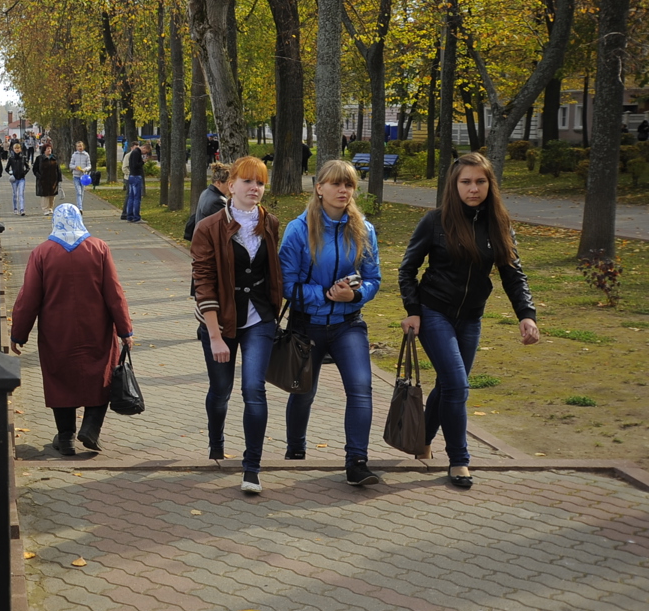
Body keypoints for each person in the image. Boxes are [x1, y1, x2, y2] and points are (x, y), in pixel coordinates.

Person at [399, 152, 540, 489]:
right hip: (434, 313)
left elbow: (512, 274)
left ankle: (421, 442)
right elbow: (407, 269)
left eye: (480, 181)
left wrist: (527, 315)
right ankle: (459, 460)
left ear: (490, 184)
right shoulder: (435, 221)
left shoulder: (499, 224)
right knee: (458, 386)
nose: (473, 188)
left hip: (471, 319)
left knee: (449, 385)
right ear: (454, 185)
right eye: (466, 182)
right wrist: (413, 310)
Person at [280, 160, 383, 486]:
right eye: (336, 184)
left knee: (360, 388)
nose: (343, 190)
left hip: (347, 324)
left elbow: (373, 279)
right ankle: (295, 452)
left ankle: (357, 461)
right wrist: (327, 295)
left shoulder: (364, 230)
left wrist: (353, 297)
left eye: (349, 185)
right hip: (307, 325)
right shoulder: (298, 229)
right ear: (319, 188)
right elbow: (287, 285)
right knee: (303, 393)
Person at [10, 204, 136, 455]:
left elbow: (29, 298)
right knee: (101, 375)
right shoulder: (99, 248)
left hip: (57, 332)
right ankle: (90, 428)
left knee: (60, 379)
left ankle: (66, 437)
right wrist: (125, 330)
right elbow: (114, 293)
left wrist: (18, 333)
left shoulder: (42, 253)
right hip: (97, 328)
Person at [191, 157, 284, 493]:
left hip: (260, 318)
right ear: (231, 186)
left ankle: (252, 468)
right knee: (221, 391)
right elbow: (203, 282)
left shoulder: (270, 223)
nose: (254, 188)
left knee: (253, 390)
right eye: (247, 182)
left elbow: (275, 271)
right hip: (220, 321)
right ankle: (216, 443)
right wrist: (215, 336)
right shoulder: (209, 227)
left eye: (259, 182)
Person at [33, 143, 63, 215]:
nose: (49, 150)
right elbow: (35, 169)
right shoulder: (39, 158)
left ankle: (50, 208)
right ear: (44, 150)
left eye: (50, 149)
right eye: (47, 149)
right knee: (45, 195)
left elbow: (58, 169)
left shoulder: (54, 158)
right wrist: (39, 176)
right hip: (43, 180)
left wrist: (59, 179)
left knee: (52, 195)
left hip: (53, 179)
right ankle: (45, 209)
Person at [123, 143, 148, 221]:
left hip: (131, 176)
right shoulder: (137, 153)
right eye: (145, 151)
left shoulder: (134, 152)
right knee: (137, 197)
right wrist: (143, 162)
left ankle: (129, 215)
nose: (145, 153)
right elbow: (135, 165)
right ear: (143, 148)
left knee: (131, 197)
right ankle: (136, 217)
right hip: (136, 176)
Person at [6, 141, 31, 216]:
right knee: (14, 194)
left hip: (21, 178)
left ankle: (22, 209)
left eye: (18, 148)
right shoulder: (11, 158)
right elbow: (6, 168)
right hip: (14, 178)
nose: (17, 150)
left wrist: (24, 172)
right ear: (13, 149)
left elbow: (28, 167)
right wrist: (11, 173)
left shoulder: (23, 158)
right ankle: (15, 208)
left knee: (21, 193)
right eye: (15, 148)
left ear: (20, 149)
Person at [69, 141, 93, 211]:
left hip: (83, 177)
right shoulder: (74, 155)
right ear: (76, 147)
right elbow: (70, 165)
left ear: (83, 147)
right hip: (76, 176)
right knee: (78, 192)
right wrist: (75, 167)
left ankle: (80, 206)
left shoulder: (86, 155)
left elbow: (89, 165)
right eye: (78, 146)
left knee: (81, 192)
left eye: (81, 146)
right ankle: (80, 208)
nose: (80, 147)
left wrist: (85, 169)